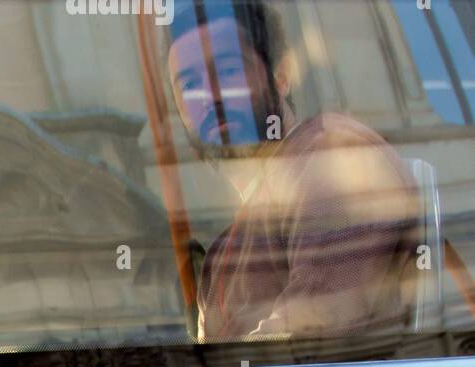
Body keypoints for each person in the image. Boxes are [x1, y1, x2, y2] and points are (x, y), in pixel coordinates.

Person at [166, 1, 419, 342]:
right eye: (190, 86)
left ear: (280, 76)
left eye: (227, 72)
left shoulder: (332, 153)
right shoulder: (223, 251)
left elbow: (313, 328)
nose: (210, 97)